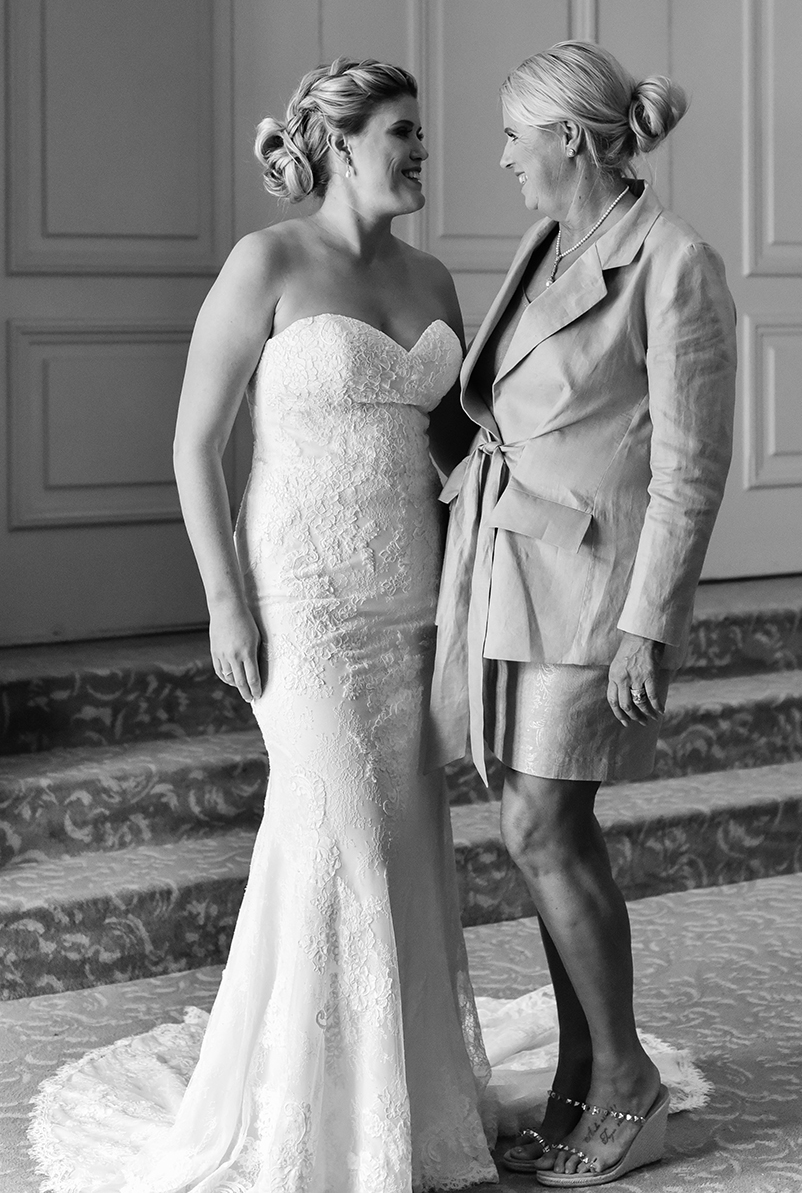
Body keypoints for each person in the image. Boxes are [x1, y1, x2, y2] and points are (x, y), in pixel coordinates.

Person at [27, 59, 497, 1193]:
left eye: (420, 131)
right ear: (340, 145)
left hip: (412, 593)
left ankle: (404, 1104)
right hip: (304, 594)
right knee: (340, 830)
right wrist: (223, 599)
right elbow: (195, 442)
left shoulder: (433, 278)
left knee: (400, 839)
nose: (421, 150)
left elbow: (456, 449)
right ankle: (316, 1126)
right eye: (402, 131)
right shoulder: (268, 262)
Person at [427, 41, 737, 1186]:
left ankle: (625, 1082)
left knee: (538, 826)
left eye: (515, 136)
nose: (504, 156)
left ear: (567, 137)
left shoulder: (674, 261)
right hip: (512, 570)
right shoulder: (545, 243)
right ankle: (575, 1087)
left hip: (598, 588)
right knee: (540, 825)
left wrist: (649, 625)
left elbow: (690, 468)